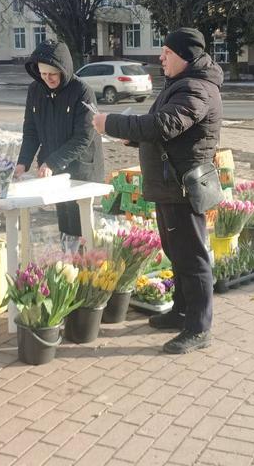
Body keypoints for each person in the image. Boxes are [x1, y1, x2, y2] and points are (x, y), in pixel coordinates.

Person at [92, 28, 223, 355]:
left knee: (192, 258)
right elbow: (166, 131)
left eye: (166, 52)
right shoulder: (183, 85)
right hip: (171, 184)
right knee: (177, 252)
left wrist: (110, 124)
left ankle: (198, 327)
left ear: (185, 56)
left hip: (182, 186)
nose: (160, 57)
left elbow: (163, 125)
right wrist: (132, 138)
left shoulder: (196, 88)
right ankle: (181, 312)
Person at [14, 40, 104, 246]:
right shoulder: (35, 91)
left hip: (81, 168)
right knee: (64, 218)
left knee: (81, 223)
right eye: (43, 74)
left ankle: (86, 264)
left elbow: (84, 136)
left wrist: (52, 162)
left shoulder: (82, 91)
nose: (48, 79)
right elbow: (31, 131)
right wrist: (23, 162)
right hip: (53, 170)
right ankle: (68, 263)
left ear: (63, 70)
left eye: (53, 74)